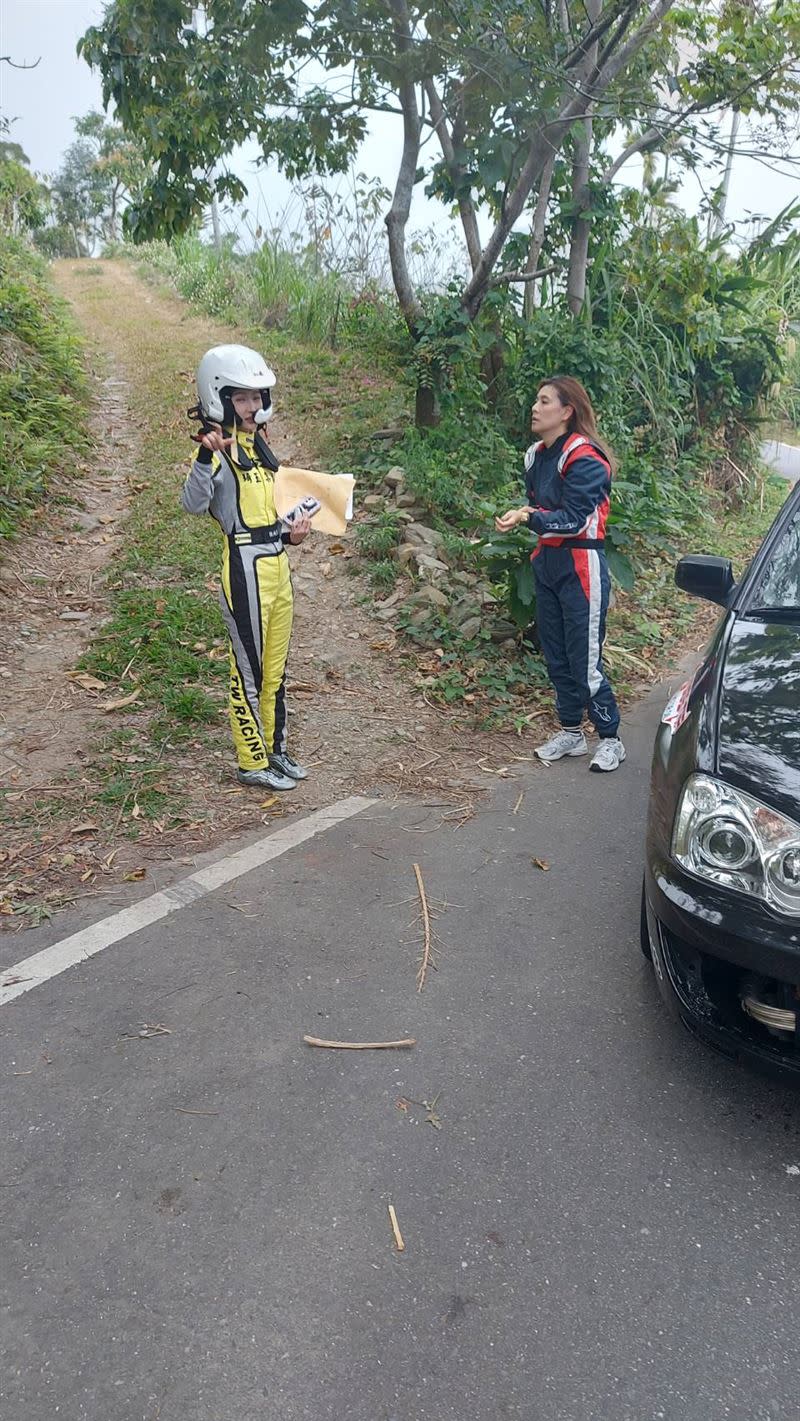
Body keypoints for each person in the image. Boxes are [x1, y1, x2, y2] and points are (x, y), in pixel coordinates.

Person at [181, 343, 312, 792]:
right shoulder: (214, 452)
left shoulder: (260, 449)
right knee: (249, 669)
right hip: (243, 569)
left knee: (276, 668)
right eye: (242, 398)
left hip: (277, 563)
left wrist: (293, 533)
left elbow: (273, 512)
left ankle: (275, 750)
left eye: (257, 397)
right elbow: (192, 504)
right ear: (219, 397)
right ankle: (250, 760)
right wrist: (204, 456)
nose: (253, 406)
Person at [495, 376, 625, 773]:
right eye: (536, 400)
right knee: (555, 653)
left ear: (567, 412)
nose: (535, 407)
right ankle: (571, 732)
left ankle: (611, 739)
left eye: (545, 401)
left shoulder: (584, 458)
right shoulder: (535, 456)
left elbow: (572, 520)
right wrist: (527, 513)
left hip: (581, 565)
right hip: (548, 563)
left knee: (584, 660)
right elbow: (540, 506)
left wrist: (528, 517)